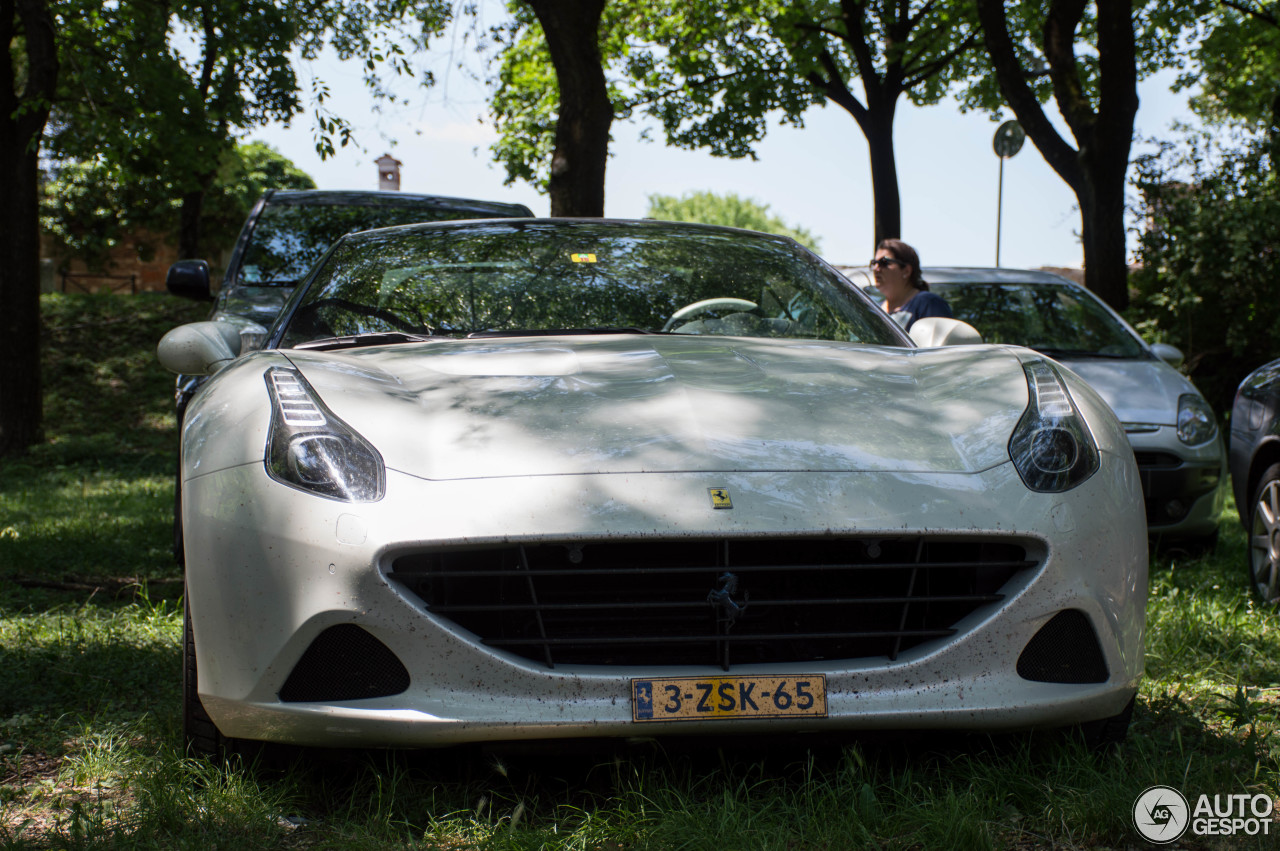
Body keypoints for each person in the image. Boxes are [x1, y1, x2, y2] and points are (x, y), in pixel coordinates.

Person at [871, 239, 951, 331]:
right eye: (874, 263)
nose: (876, 268)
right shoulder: (874, 310)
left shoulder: (929, 304)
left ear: (906, 271)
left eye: (884, 262)